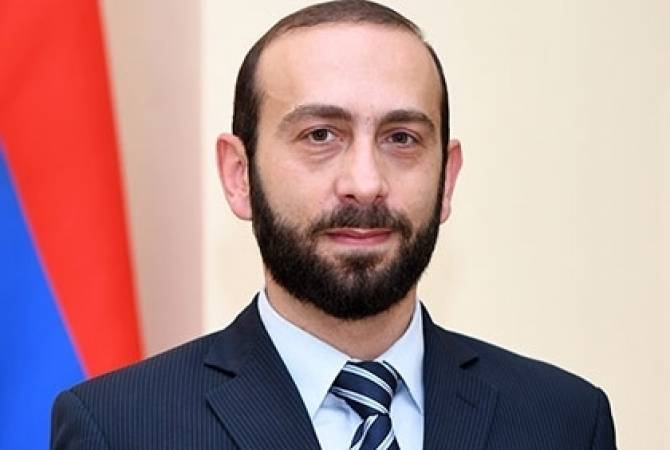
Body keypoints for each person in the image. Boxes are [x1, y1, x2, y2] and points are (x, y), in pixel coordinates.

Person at [51, 1, 617, 449]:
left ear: (446, 179)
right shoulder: (120, 428)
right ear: (239, 175)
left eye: (402, 138)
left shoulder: (564, 421)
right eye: (320, 135)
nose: (365, 183)